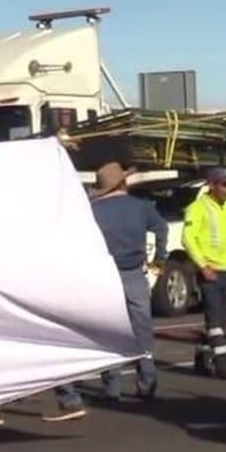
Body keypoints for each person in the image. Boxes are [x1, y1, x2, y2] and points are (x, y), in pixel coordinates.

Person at [44, 162, 169, 422]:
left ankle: (111, 386)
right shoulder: (141, 207)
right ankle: (147, 381)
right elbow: (161, 228)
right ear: (123, 183)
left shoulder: (91, 211)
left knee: (108, 330)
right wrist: (159, 257)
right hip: (133, 273)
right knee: (141, 328)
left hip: (102, 276)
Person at [182, 166, 226, 380]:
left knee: (222, 319)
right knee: (215, 321)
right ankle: (223, 364)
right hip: (211, 271)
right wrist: (203, 266)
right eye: (224, 185)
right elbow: (188, 239)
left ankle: (202, 355)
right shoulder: (198, 208)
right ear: (212, 185)